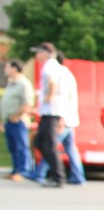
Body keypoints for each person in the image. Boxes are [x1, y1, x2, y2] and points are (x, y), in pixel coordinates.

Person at [31, 51, 86, 185]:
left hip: (60, 116)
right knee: (69, 149)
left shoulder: (54, 70)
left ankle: (43, 174)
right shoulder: (67, 74)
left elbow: (57, 91)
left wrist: (48, 98)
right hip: (68, 116)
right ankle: (78, 176)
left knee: (49, 145)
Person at [30, 41, 67, 188]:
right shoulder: (54, 66)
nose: (37, 56)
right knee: (40, 142)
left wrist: (49, 97)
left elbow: (52, 83)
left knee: (49, 145)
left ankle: (58, 176)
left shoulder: (49, 66)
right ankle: (54, 173)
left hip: (51, 112)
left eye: (38, 53)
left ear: (45, 54)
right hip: (49, 111)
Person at [1, 59, 35, 182]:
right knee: (13, 147)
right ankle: (15, 170)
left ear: (15, 68)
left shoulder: (23, 84)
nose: (5, 69)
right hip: (8, 121)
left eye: (7, 67)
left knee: (21, 147)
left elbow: (28, 104)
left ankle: (23, 171)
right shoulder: (12, 84)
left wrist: (17, 115)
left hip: (18, 121)